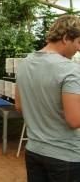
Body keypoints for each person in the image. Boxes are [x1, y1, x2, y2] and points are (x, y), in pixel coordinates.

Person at [15, 15, 80, 182]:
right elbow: (74, 120)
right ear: (66, 38)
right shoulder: (69, 68)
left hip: (34, 151)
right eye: (78, 42)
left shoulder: (25, 63)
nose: (78, 49)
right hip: (65, 156)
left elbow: (20, 107)